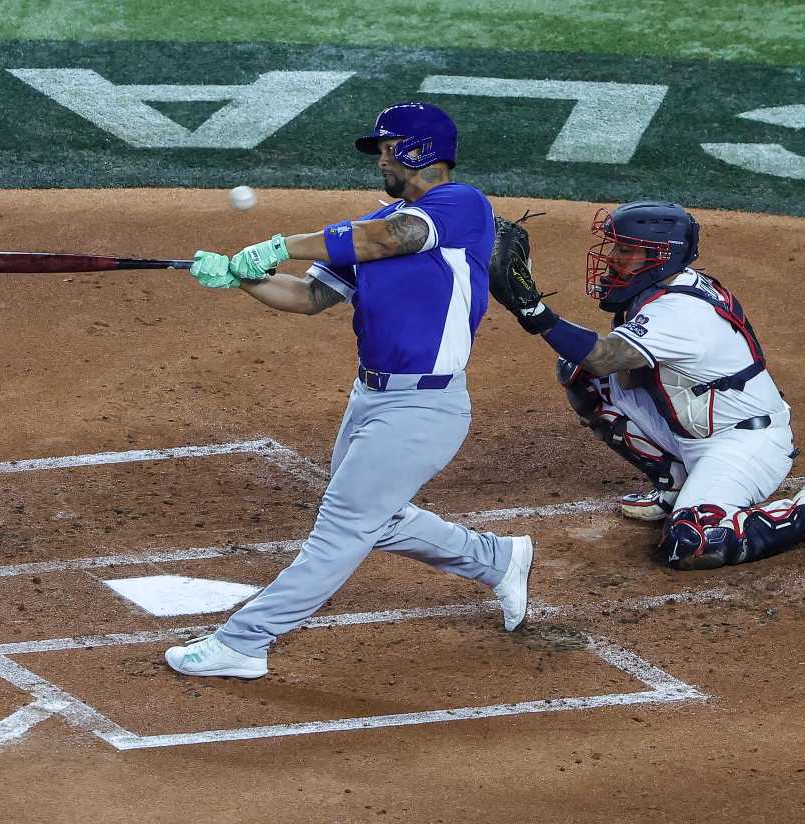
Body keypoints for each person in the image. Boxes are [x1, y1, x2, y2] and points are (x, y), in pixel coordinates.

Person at [163, 102, 534, 679]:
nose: (380, 160)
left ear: (416, 150)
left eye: (387, 148)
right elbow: (308, 298)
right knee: (376, 519)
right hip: (372, 400)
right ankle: (495, 559)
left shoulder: (457, 207)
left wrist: (281, 243)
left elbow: (393, 239)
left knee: (340, 528)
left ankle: (243, 642)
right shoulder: (368, 232)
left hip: (425, 406)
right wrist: (242, 278)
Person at [487, 200, 805, 570]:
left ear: (661, 256)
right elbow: (607, 367)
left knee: (692, 543)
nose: (612, 259)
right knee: (580, 372)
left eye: (626, 250)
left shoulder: (680, 312)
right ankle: (675, 483)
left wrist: (533, 312)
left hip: (743, 444)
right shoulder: (661, 289)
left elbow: (604, 355)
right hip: (697, 425)